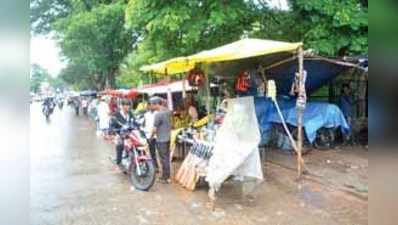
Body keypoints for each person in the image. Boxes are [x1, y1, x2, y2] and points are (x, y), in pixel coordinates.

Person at [150, 96, 172, 183]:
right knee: (166, 158)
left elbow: (154, 129)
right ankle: (168, 176)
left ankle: (165, 178)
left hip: (161, 139)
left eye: (152, 104)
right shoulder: (167, 111)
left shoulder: (158, 114)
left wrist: (151, 137)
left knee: (163, 159)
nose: (151, 106)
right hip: (168, 138)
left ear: (156, 104)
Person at [111, 99, 134, 170]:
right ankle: (118, 162)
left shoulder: (130, 113)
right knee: (120, 145)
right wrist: (114, 132)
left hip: (130, 134)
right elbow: (112, 125)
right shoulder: (117, 114)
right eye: (126, 106)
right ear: (122, 106)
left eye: (129, 106)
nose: (128, 107)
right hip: (120, 134)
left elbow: (134, 121)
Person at [143, 101, 158, 171]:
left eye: (151, 105)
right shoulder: (146, 114)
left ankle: (156, 166)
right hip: (147, 135)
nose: (149, 107)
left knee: (154, 152)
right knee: (148, 151)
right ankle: (150, 166)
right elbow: (145, 124)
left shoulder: (157, 114)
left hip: (154, 135)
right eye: (149, 105)